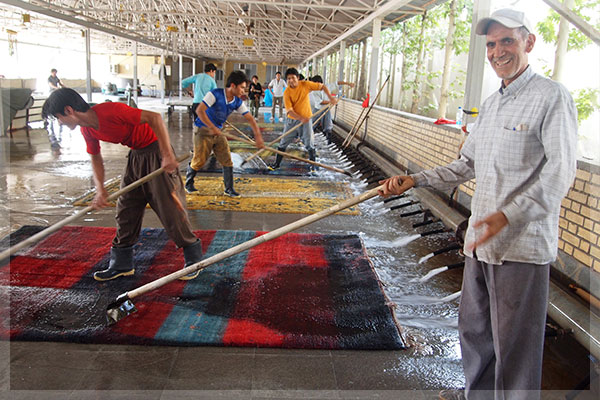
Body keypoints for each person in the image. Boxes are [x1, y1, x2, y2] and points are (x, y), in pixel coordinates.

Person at [378, 9, 577, 400]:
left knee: (515, 350)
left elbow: (560, 173)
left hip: (520, 248)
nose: (497, 51)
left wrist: (509, 216)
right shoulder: (491, 104)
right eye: (491, 44)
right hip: (479, 242)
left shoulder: (551, 98)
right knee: (475, 334)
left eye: (507, 41)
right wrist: (414, 180)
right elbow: (466, 164)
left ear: (529, 43)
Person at [41, 88, 204, 281]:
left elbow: (155, 119)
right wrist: (100, 189)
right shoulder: (87, 129)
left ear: (69, 110)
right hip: (135, 156)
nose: (60, 122)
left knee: (170, 208)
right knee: (126, 207)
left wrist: (167, 154)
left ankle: (194, 258)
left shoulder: (111, 111)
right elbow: (95, 157)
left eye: (58, 117)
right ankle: (121, 264)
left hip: (156, 152)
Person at [185, 71, 265, 197]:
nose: (244, 91)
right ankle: (188, 183)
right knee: (200, 160)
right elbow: (199, 110)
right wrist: (211, 127)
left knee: (227, 159)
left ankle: (229, 189)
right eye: (242, 88)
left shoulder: (237, 101)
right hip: (202, 130)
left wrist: (258, 137)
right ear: (233, 86)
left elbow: (250, 118)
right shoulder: (215, 94)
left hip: (218, 131)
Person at [268, 68, 337, 171]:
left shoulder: (305, 85)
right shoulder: (287, 92)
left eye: (293, 78)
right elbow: (289, 111)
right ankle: (277, 164)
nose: (291, 80)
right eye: (288, 79)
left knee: (309, 143)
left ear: (298, 78)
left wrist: (331, 98)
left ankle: (313, 165)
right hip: (292, 121)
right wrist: (300, 118)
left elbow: (322, 86)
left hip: (306, 121)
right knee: (283, 142)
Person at [309, 75, 355, 143]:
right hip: (318, 109)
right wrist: (331, 101)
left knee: (328, 124)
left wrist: (348, 83)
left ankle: (328, 139)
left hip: (326, 108)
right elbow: (321, 102)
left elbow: (337, 83)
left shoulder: (327, 86)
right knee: (312, 124)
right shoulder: (314, 92)